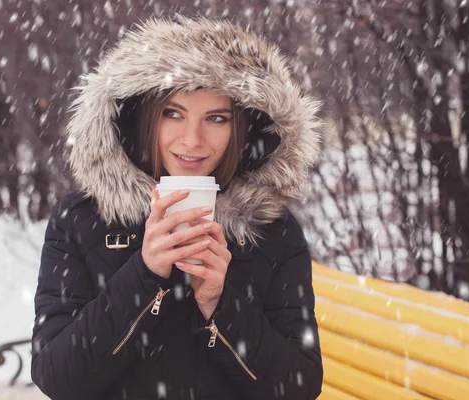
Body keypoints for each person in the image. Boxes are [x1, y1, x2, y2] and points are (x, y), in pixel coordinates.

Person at [31, 15, 324, 400]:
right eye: (173, 113)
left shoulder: (271, 229)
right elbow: (56, 376)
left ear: (242, 130)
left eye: (216, 118)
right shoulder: (82, 218)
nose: (192, 140)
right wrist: (144, 273)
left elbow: (300, 386)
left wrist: (220, 302)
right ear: (142, 118)